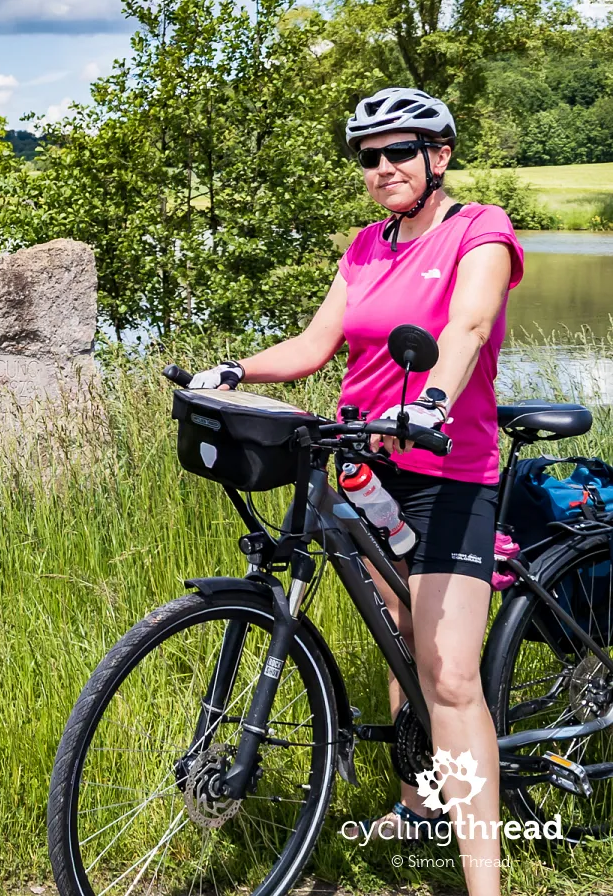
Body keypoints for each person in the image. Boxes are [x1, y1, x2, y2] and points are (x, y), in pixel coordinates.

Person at [188, 87, 521, 896]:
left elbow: (467, 330)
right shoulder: (364, 247)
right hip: (367, 468)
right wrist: (236, 369)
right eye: (368, 157)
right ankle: (416, 809)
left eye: (399, 151)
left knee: (449, 678)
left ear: (438, 156)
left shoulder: (481, 230)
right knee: (400, 637)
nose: (382, 169)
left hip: (446, 466)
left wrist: (431, 401)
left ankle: (485, 883)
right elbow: (314, 343)